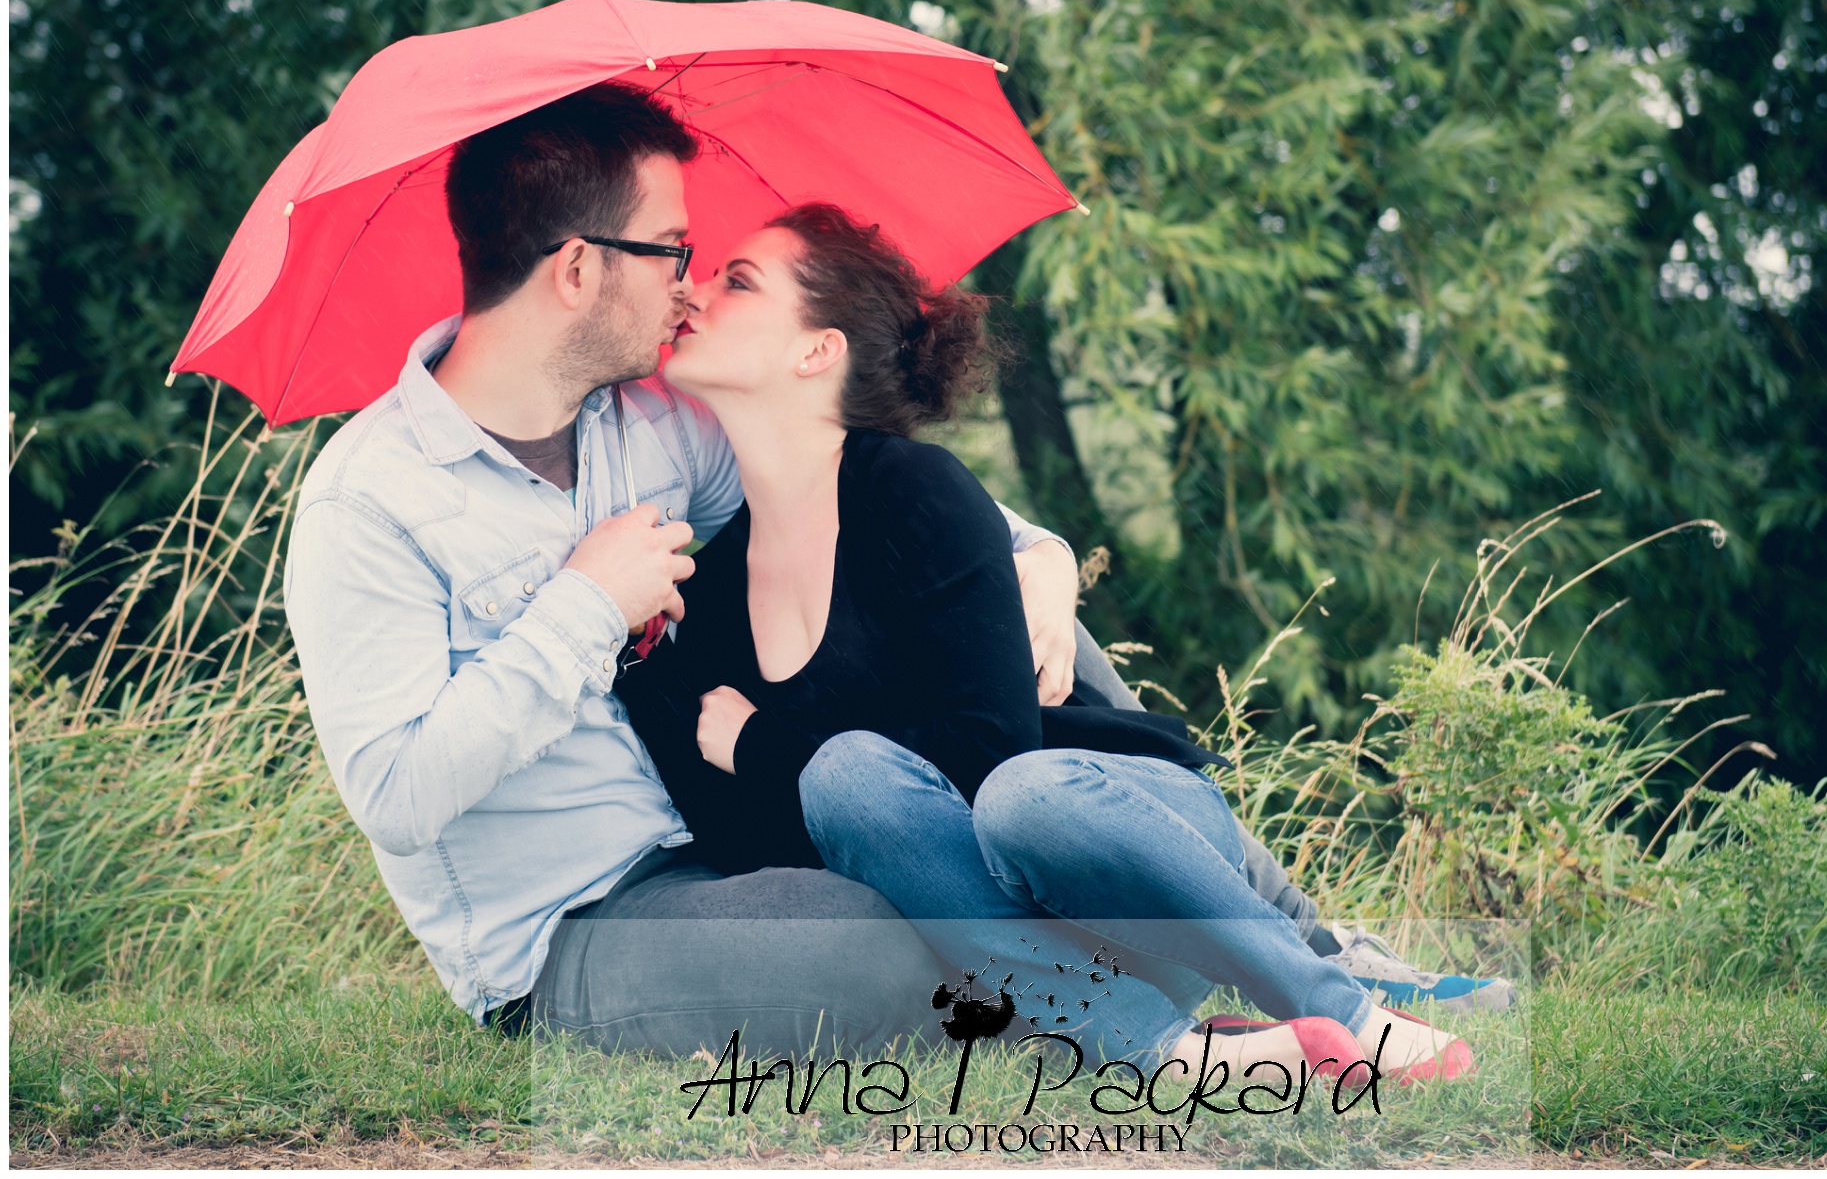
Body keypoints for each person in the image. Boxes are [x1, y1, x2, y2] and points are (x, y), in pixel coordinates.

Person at [283, 81, 1332, 1060]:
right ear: (576, 271)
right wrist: (584, 606)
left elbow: (853, 483)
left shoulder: (647, 428)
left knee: (1007, 632)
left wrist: (1038, 554)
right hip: (581, 917)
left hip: (739, 841)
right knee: (873, 942)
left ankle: (1305, 943)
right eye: (671, 249)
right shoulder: (370, 502)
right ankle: (1169, 1030)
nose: (688, 284)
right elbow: (397, 798)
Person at [615, 202, 1472, 1081]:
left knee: (1016, 793)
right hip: (1016, 949)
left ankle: (1346, 1008)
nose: (693, 291)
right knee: (845, 776)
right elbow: (760, 846)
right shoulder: (707, 599)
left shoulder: (917, 492)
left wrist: (763, 747)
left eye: (738, 280)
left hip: (1131, 866)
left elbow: (990, 753)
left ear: (817, 350)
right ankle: (1171, 1052)